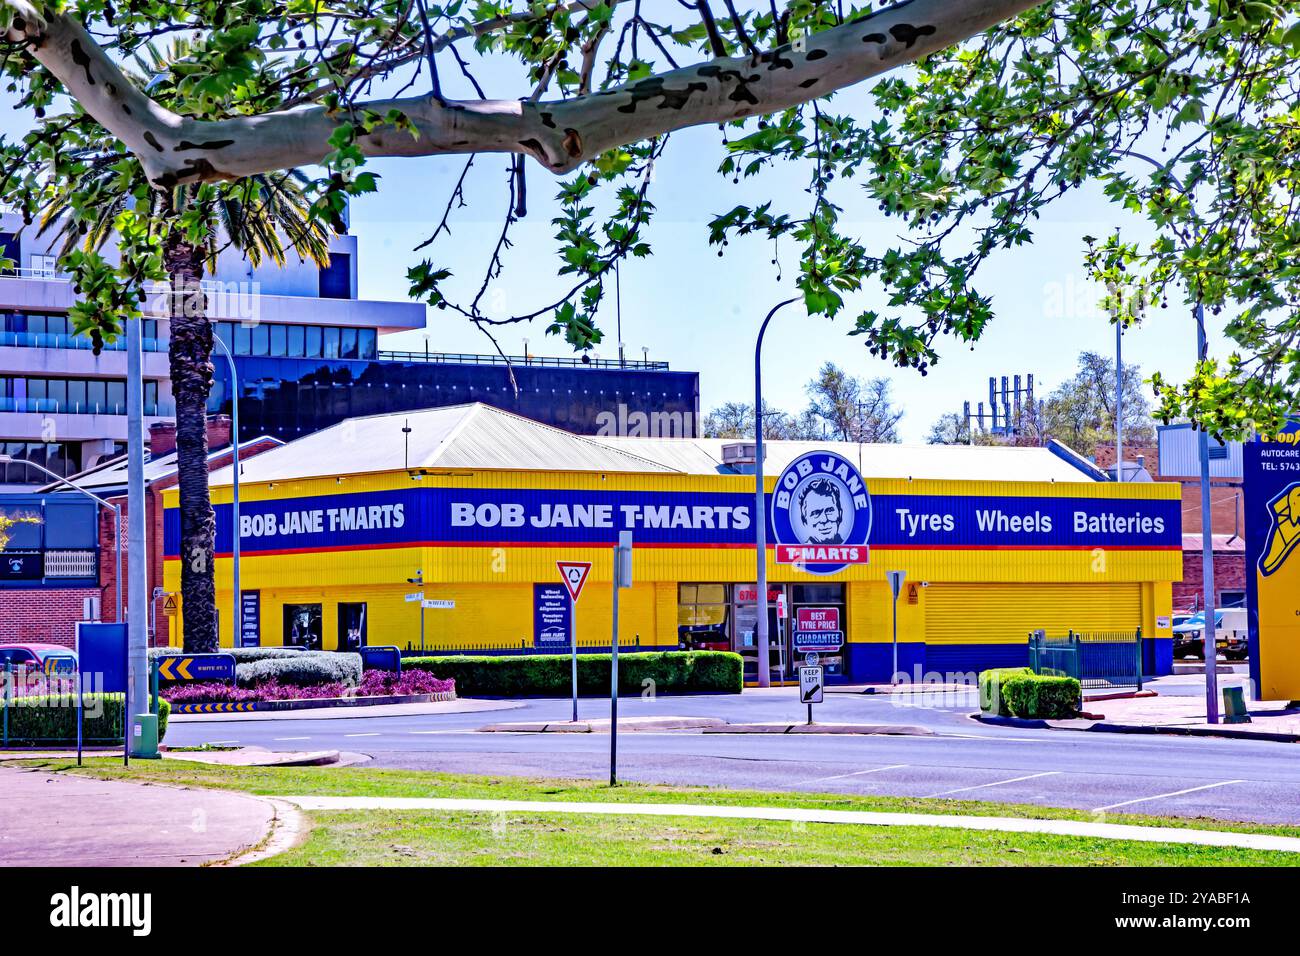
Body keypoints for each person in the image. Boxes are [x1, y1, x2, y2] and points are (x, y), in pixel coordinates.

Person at [798, 478, 845, 545]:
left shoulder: (853, 547)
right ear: (804, 521)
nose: (824, 519)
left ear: (840, 514)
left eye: (829, 510)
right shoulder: (798, 553)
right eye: (815, 513)